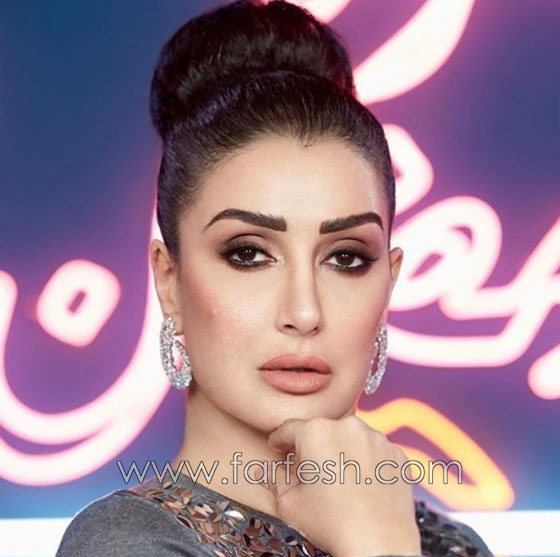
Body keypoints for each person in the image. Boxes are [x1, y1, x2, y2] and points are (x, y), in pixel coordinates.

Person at [56, 1, 494, 555]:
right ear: (169, 281)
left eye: (346, 258)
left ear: (388, 284)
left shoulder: (454, 545)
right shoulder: (125, 544)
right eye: (248, 254)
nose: (304, 312)